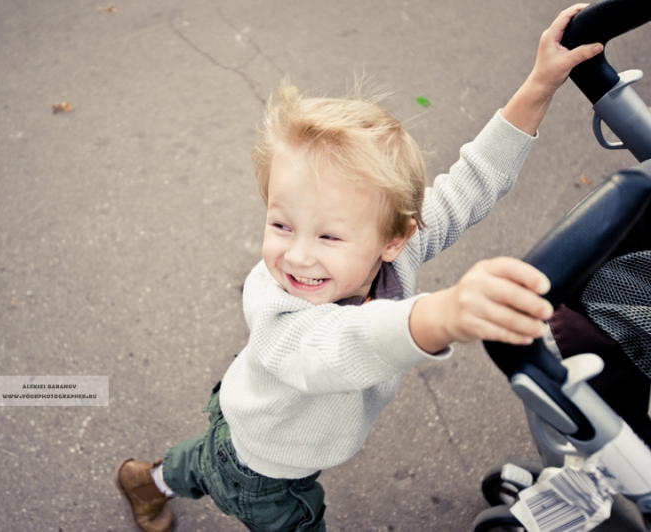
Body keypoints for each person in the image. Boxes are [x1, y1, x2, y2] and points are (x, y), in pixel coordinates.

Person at [113, 5, 604, 531]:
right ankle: (150, 479)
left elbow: (472, 182)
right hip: (266, 472)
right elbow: (342, 344)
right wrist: (442, 315)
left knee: (200, 462)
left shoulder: (398, 247)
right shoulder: (278, 310)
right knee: (219, 467)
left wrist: (539, 84)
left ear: (394, 239)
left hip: (256, 423)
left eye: (328, 236)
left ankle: (145, 480)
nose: (298, 255)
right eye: (281, 225)